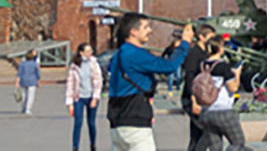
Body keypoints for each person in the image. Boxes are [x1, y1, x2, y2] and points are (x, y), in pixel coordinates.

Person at [108, 12, 193, 151]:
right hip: (135, 123)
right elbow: (167, 66)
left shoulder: (118, 54)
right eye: (146, 27)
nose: (150, 30)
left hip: (117, 123)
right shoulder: (134, 54)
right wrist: (185, 43)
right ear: (133, 32)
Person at [192, 36, 248, 151]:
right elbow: (233, 88)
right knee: (238, 143)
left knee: (215, 147)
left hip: (206, 112)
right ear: (221, 49)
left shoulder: (201, 66)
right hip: (224, 111)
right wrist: (237, 74)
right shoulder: (223, 67)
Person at [179, 23, 217, 151]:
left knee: (198, 135)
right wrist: (194, 101)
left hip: (203, 99)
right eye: (210, 37)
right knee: (204, 134)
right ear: (201, 36)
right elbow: (190, 78)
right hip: (193, 99)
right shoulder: (194, 54)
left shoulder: (206, 53)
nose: (213, 41)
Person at [66, 43, 103, 151]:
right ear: (81, 53)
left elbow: (98, 81)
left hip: (91, 96)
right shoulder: (75, 65)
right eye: (87, 51)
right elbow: (70, 83)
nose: (90, 53)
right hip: (79, 97)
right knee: (78, 122)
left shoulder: (94, 63)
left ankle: (93, 145)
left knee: (91, 122)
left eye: (91, 51)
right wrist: (69, 103)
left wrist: (95, 98)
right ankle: (75, 147)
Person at [16, 49, 39, 115]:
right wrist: (38, 81)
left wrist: (17, 81)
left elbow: (19, 73)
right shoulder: (34, 64)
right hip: (32, 81)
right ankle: (28, 109)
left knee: (23, 95)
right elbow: (37, 73)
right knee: (30, 96)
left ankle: (24, 107)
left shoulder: (22, 64)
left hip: (23, 81)